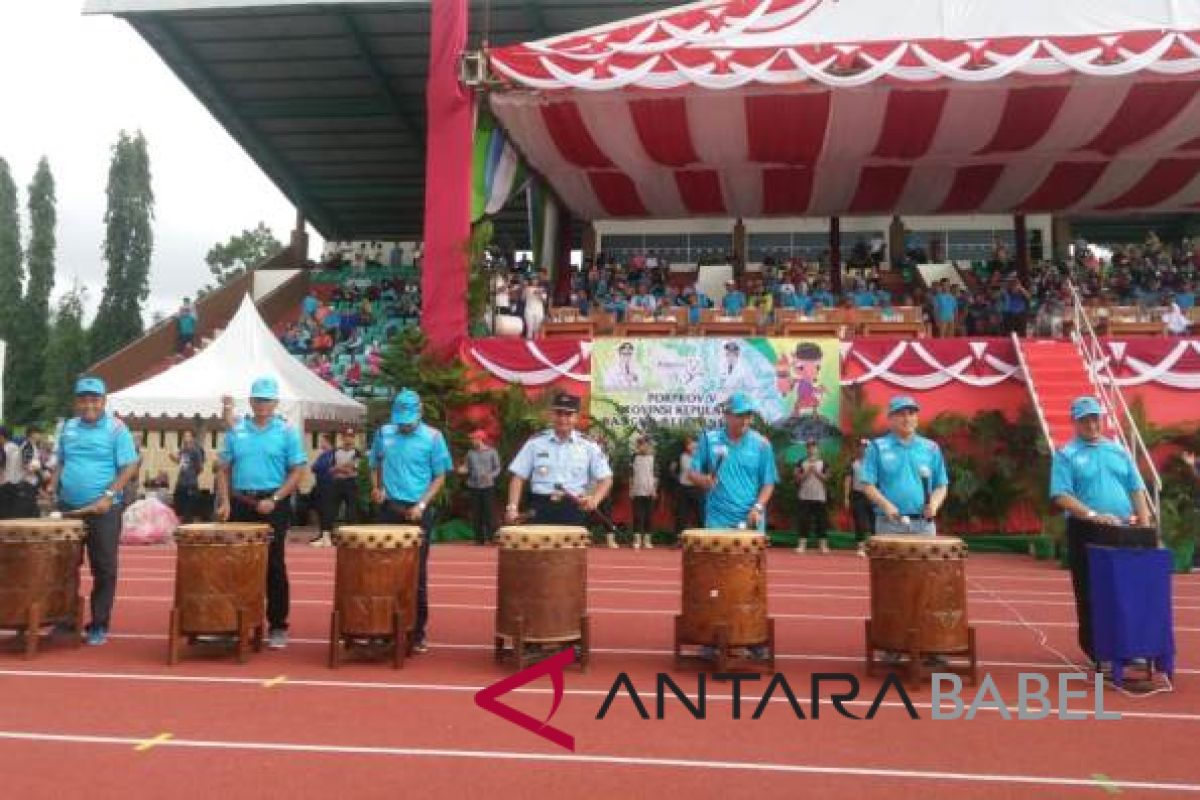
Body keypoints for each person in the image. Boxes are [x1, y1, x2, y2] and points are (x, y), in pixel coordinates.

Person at [1050, 396, 1153, 664]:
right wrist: (1092, 515)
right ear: (1075, 421)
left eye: (1095, 418)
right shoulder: (1066, 454)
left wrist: (1144, 526)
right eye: (1085, 419)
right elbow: (1060, 495)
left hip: (1122, 531)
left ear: (1102, 419)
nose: (1092, 424)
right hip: (1086, 530)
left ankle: (1130, 647)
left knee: (1126, 590)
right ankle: (1099, 650)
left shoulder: (1119, 451)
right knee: (1091, 591)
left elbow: (1136, 488)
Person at [216, 376, 307, 650]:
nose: (262, 405)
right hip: (242, 502)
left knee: (273, 565)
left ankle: (278, 625)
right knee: (236, 565)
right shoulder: (236, 431)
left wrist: (276, 498)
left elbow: (298, 470)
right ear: (251, 401)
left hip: (273, 505)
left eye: (267, 400)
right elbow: (223, 469)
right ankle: (236, 622)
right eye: (257, 399)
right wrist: (224, 502)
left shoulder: (287, 432)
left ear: (275, 402)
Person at [48, 377, 140, 645]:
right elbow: (62, 461)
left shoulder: (116, 429)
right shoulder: (67, 428)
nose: (89, 404)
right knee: (64, 566)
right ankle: (66, 620)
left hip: (104, 510)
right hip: (68, 508)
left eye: (94, 399)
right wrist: (53, 484)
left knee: (104, 567)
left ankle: (99, 624)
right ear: (77, 401)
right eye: (84, 399)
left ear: (103, 401)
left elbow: (129, 467)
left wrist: (109, 496)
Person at [369, 389, 452, 654]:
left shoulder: (433, 437)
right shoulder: (384, 433)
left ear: (420, 413)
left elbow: (440, 477)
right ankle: (384, 627)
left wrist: (422, 504)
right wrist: (377, 486)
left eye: (408, 420)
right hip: (388, 508)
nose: (404, 425)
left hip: (417, 510)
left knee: (416, 573)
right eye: (400, 420)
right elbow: (375, 464)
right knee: (384, 570)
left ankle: (417, 631)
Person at [506, 391, 614, 541]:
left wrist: (594, 500)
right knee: (538, 559)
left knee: (570, 561)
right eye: (559, 413)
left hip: (573, 510)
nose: (563, 418)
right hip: (540, 508)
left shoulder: (588, 445)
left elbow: (606, 478)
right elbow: (518, 477)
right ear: (552, 415)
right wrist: (512, 508)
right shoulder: (535, 443)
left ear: (576, 417)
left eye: (568, 414)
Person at [860, 396, 949, 536]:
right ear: (890, 419)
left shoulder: (931, 448)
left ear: (917, 418)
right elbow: (867, 484)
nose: (907, 419)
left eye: (911, 413)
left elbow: (941, 485)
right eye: (901, 414)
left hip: (924, 525)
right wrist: (885, 505)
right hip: (889, 523)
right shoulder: (876, 447)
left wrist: (934, 505)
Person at [687, 392, 778, 530]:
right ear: (727, 415)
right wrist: (703, 480)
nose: (745, 420)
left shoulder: (762, 444)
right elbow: (692, 473)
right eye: (740, 415)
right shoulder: (708, 439)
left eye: (749, 415)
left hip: (751, 518)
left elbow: (768, 483)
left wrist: (758, 507)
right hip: (717, 519)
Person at [459, 429, 501, 545]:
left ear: (480, 439)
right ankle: (479, 539)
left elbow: (497, 468)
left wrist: (491, 476)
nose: (472, 441)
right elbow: (466, 467)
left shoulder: (492, 452)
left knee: (489, 512)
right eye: (471, 439)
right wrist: (463, 470)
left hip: (488, 486)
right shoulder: (470, 453)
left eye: (474, 439)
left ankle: (492, 537)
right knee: (476, 513)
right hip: (473, 486)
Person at [794, 439, 829, 554]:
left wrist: (816, 472)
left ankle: (823, 546)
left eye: (814, 447)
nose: (811, 449)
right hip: (804, 496)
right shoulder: (800, 462)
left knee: (821, 522)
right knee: (804, 521)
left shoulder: (824, 462)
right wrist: (807, 471)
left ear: (817, 449)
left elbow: (827, 478)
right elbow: (797, 479)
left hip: (820, 497)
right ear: (806, 449)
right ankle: (802, 545)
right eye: (809, 447)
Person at [844, 439, 875, 557]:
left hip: (872, 495)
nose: (864, 449)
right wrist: (846, 497)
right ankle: (861, 546)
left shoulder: (874, 463)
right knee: (860, 521)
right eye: (862, 447)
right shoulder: (853, 462)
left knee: (874, 522)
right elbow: (848, 480)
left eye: (866, 447)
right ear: (858, 448)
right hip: (858, 495)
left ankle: (873, 546)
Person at [169, 429, 206, 524]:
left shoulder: (196, 450)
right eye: (184, 436)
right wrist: (173, 458)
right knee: (178, 508)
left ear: (193, 438)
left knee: (188, 512)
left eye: (188, 436)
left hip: (190, 484)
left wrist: (192, 475)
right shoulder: (183, 450)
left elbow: (200, 468)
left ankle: (187, 530)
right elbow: (181, 462)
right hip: (180, 483)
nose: (185, 438)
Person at [629, 436, 658, 550]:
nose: (643, 446)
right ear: (638, 446)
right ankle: (637, 541)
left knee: (648, 517)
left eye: (646, 444)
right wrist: (631, 489)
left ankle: (647, 541)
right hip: (637, 490)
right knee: (637, 516)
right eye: (640, 444)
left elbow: (656, 474)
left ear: (649, 445)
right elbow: (631, 474)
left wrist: (654, 489)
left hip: (649, 490)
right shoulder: (633, 457)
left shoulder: (653, 457)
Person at [674, 435, 705, 536]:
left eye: (693, 443)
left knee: (700, 514)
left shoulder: (701, 457)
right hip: (683, 488)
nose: (691, 446)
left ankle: (703, 538)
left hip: (697, 488)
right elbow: (673, 470)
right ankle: (679, 538)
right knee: (681, 514)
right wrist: (677, 478)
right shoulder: (681, 456)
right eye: (688, 444)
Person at [309, 434, 336, 546]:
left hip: (329, 486)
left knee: (327, 511)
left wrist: (320, 468)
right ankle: (322, 534)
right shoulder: (322, 455)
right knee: (320, 510)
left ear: (328, 442)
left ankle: (328, 534)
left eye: (322, 441)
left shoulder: (333, 455)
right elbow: (314, 467)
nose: (321, 444)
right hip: (320, 485)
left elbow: (323, 467)